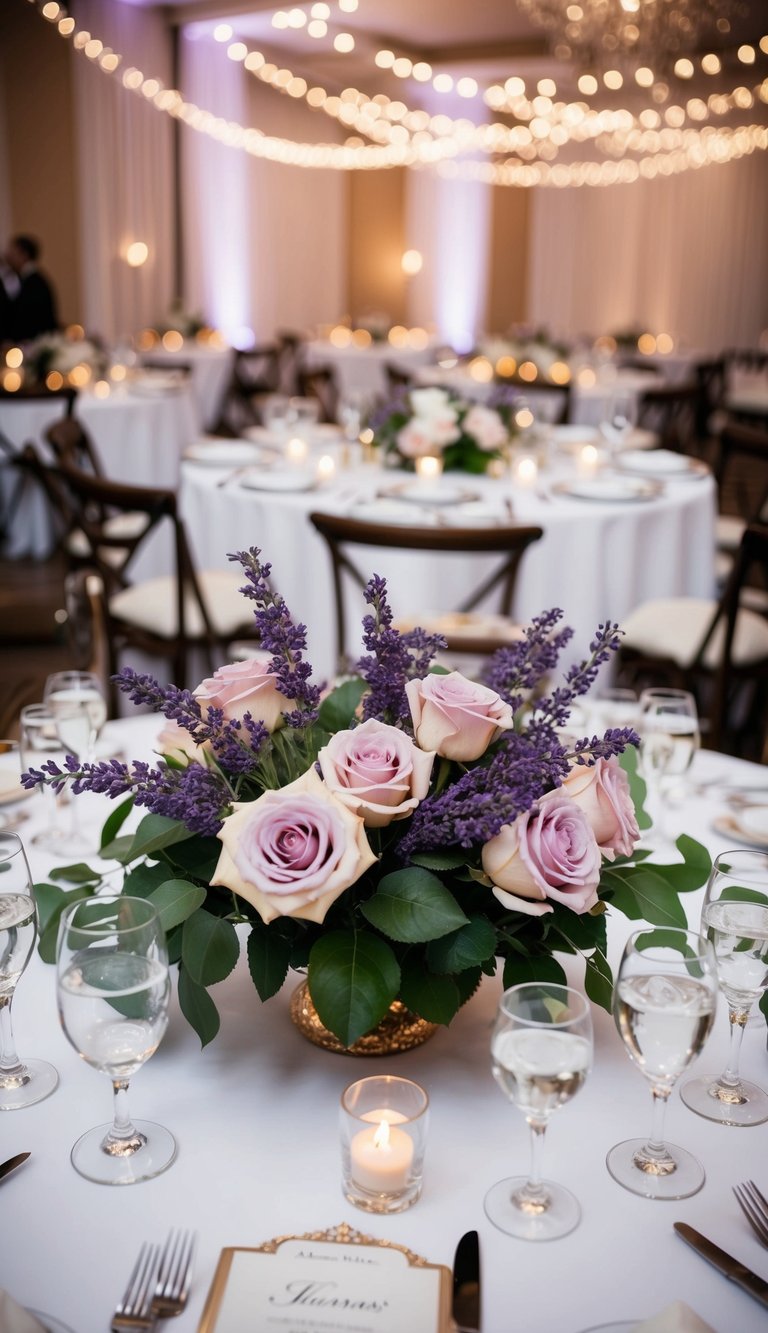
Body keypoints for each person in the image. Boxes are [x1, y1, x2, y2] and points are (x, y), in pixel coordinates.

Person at [0, 234, 59, 342]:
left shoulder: (34, 283)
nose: (7, 256)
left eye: (12, 252)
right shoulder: (26, 280)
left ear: (24, 255)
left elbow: (27, 319)